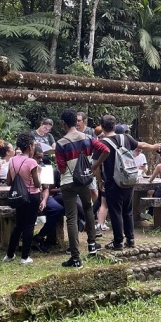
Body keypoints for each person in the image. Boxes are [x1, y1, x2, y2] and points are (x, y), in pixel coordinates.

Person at [95, 115, 161, 250]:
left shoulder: (102, 143)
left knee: (116, 211)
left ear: (102, 127)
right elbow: (141, 145)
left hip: (113, 182)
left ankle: (118, 242)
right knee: (127, 210)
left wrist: (100, 180)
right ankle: (130, 239)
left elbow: (96, 165)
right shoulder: (125, 138)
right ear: (114, 126)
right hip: (129, 179)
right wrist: (153, 147)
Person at [54, 109, 110, 268]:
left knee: (71, 218)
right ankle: (92, 246)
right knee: (88, 209)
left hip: (68, 183)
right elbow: (106, 150)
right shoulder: (88, 138)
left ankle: (75, 257)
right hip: (85, 180)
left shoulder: (60, 143)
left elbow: (62, 169)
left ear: (63, 123)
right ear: (75, 122)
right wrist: (95, 166)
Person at [2, 133, 41, 265]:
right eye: (34, 145)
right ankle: (25, 257)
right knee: (29, 225)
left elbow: (8, 181)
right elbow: (37, 184)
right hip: (32, 195)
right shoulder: (32, 162)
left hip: (18, 196)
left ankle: (9, 254)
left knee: (18, 225)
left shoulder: (12, 160)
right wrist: (39, 173)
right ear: (30, 146)